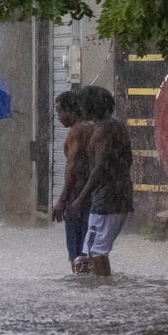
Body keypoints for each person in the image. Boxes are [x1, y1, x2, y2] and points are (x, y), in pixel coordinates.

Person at [66, 86, 134, 277]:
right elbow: (128, 160)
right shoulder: (117, 127)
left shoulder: (102, 131)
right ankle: (105, 292)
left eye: (81, 104)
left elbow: (99, 168)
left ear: (89, 106)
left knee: (94, 251)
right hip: (120, 195)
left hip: (105, 200)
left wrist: (79, 199)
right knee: (98, 250)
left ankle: (103, 295)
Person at [51, 90, 94, 273]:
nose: (58, 116)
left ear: (71, 110)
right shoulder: (92, 127)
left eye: (60, 111)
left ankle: (80, 286)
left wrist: (62, 199)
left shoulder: (77, 131)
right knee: (88, 250)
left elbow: (73, 167)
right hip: (92, 194)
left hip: (78, 196)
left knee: (77, 253)